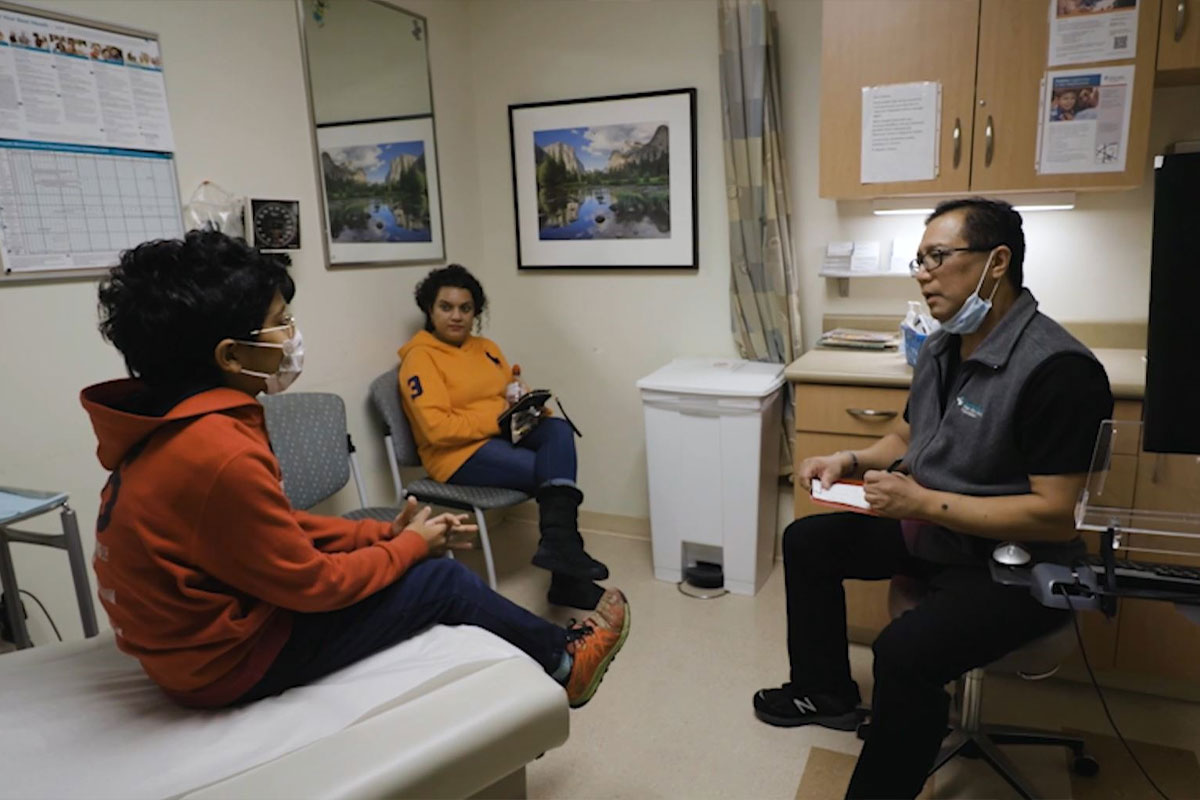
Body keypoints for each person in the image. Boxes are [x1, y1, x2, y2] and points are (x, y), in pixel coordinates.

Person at [82, 231, 629, 710]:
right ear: (230, 356)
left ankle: (560, 557)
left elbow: (273, 532)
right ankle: (564, 662)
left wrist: (380, 533)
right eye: (280, 325)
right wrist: (409, 549)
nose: (292, 335)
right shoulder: (217, 451)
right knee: (439, 581)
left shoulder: (175, 424)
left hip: (187, 650)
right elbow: (313, 585)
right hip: (221, 666)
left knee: (551, 436)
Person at [752, 198, 1113, 799]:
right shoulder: (946, 345)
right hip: (937, 530)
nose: (922, 273)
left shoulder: (1059, 371)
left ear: (997, 263)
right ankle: (828, 692)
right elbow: (911, 433)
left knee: (904, 652)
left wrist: (919, 503)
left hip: (1017, 563)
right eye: (918, 260)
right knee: (808, 540)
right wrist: (851, 459)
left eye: (938, 258)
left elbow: (1053, 514)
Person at [398, 264, 611, 611]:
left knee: (557, 429)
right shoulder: (419, 359)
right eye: (446, 307)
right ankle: (566, 571)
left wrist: (519, 398)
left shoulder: (487, 347)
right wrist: (499, 419)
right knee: (550, 469)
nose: (456, 316)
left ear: (476, 312)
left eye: (465, 309)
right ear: (429, 310)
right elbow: (438, 429)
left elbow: (500, 394)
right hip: (455, 457)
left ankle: (561, 548)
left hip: (499, 435)